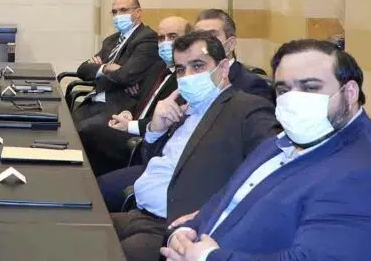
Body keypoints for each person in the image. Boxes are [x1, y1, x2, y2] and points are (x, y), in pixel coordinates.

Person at [163, 39, 371, 261]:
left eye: (310, 87)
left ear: (350, 92)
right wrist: (186, 233)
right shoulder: (282, 143)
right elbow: (225, 198)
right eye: (283, 89)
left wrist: (209, 258)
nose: (293, 99)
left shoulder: (370, 179)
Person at [111, 32, 279, 261]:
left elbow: (273, 170)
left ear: (223, 68)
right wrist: (155, 130)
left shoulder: (247, 108)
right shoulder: (183, 106)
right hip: (139, 215)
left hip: (176, 229)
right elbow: (154, 163)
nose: (187, 76)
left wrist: (211, 213)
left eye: (198, 66)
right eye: (181, 70)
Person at [79, 15, 189, 178]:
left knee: (89, 132)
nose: (165, 43)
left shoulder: (186, 79)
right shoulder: (158, 66)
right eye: (161, 38)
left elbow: (168, 120)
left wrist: (130, 125)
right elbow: (138, 98)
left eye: (172, 37)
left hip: (146, 140)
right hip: (132, 125)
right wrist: (126, 113)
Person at [72, 0, 162, 123]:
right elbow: (82, 70)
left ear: (137, 13)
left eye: (123, 10)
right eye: (114, 12)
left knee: (82, 129)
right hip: (94, 100)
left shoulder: (147, 38)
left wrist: (99, 74)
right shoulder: (110, 40)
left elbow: (126, 76)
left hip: (118, 106)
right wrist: (106, 68)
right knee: (63, 125)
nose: (118, 15)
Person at [194, 9, 272, 100]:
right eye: (199, 37)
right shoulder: (190, 80)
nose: (204, 42)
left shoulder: (252, 85)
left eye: (212, 36)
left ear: (231, 44)